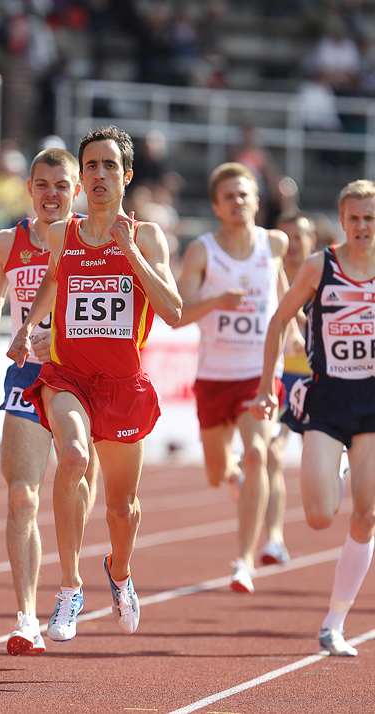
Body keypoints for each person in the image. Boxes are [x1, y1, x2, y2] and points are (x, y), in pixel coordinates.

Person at [8, 125, 182, 637]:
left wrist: (130, 252)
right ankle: (68, 589)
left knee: (121, 507)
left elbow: (172, 311)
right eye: (91, 166)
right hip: (70, 378)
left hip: (124, 387)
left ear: (127, 176)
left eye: (110, 166)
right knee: (75, 459)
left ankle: (120, 572)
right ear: (81, 177)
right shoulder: (65, 233)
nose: (99, 175)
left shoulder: (147, 236)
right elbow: (51, 285)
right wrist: (27, 330)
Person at [0, 147, 100, 655]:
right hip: (26, 372)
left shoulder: (97, 239)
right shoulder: (8, 242)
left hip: (83, 375)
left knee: (78, 476)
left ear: (77, 191)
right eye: (42, 185)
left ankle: (71, 579)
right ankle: (26, 617)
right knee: (22, 493)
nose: (51, 194)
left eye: (61, 186)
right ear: (29, 187)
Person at [251, 179, 375, 658]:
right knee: (321, 517)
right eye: (355, 218)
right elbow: (279, 321)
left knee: (366, 515)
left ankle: (334, 622)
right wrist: (268, 384)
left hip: (372, 403)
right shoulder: (320, 266)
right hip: (326, 399)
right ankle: (338, 465)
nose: (363, 226)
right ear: (341, 221)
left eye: (370, 218)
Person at [171, 162, 290, 594]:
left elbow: (280, 291)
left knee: (257, 452)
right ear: (216, 207)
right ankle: (237, 479)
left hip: (259, 373)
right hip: (214, 375)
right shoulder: (203, 251)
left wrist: (291, 331)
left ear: (257, 200)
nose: (238, 202)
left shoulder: (273, 243)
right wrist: (219, 299)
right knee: (218, 472)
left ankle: (244, 561)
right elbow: (179, 315)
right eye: (229, 197)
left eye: (244, 194)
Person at [264, 210, 319, 566]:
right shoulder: (268, 276)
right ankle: (273, 539)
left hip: (321, 382)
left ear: (312, 240)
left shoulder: (327, 275)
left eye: (299, 236)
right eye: (285, 237)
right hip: (283, 379)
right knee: (271, 453)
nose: (292, 244)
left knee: (319, 471)